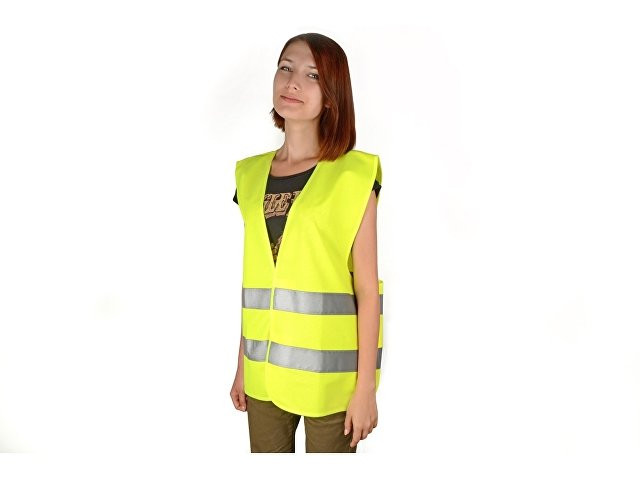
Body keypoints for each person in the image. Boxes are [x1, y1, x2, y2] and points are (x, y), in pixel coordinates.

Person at [229, 32, 384, 453]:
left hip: (330, 383)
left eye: (312, 75)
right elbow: (259, 282)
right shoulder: (249, 176)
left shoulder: (354, 176)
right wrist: (242, 365)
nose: (292, 81)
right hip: (263, 377)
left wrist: (365, 388)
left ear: (332, 96)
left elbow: (367, 290)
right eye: (285, 68)